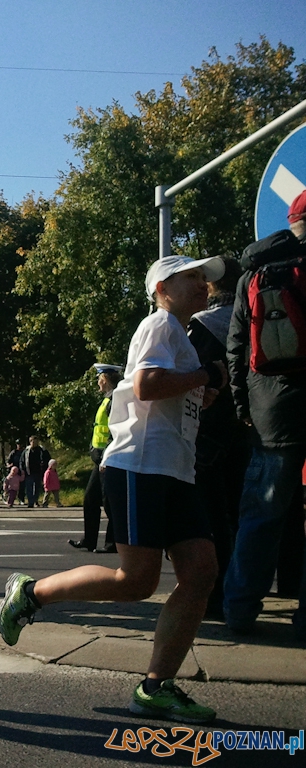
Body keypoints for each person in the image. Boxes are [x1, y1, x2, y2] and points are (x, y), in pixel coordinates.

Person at [0, 254, 226, 724]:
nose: (203, 285)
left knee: (201, 571)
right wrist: (204, 376)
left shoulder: (179, 334)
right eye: (192, 278)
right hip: (141, 466)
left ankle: (155, 687)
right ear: (163, 287)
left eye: (205, 279)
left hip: (176, 471)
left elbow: (175, 394)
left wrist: (204, 391)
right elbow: (145, 385)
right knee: (136, 581)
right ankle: (31, 592)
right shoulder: (159, 324)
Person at [224, 191, 306, 640]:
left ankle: (239, 610)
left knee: (260, 517)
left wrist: (245, 407)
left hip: (271, 415)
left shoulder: (253, 273)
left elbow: (236, 349)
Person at [187, 256, 248, 618]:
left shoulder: (201, 326)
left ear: (210, 286)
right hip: (252, 429)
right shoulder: (252, 318)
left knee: (213, 518)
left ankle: (217, 594)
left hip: (207, 436)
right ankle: (258, 587)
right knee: (247, 514)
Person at [70, 365, 122, 553]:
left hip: (109, 459)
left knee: (109, 502)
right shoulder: (107, 400)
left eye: (99, 378)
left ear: (105, 379)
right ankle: (89, 540)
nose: (97, 382)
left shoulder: (116, 399)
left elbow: (116, 431)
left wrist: (106, 456)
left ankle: (113, 543)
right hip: (99, 459)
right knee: (90, 500)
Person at [20, 436, 50, 509]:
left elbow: (48, 459)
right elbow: (22, 461)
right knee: (29, 488)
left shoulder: (42, 450)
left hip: (39, 472)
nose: (34, 443)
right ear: (30, 442)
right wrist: (22, 470)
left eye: (36, 441)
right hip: (29, 472)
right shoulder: (26, 451)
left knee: (37, 488)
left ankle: (35, 500)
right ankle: (30, 502)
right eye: (33, 441)